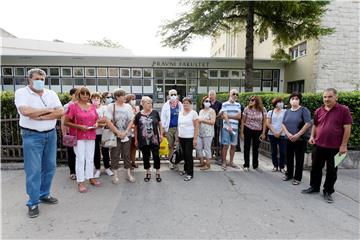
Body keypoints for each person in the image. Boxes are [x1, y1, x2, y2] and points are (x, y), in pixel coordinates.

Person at [15, 68, 64, 218]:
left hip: (50, 134)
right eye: (37, 79)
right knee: (34, 170)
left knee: (50, 166)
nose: (40, 82)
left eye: (42, 79)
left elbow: (61, 112)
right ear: (29, 79)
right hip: (31, 136)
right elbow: (25, 111)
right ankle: (33, 202)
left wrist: (40, 115)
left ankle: (44, 194)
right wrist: (49, 111)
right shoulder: (21, 93)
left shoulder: (51, 94)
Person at [302, 88, 352, 203]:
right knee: (315, 168)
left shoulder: (343, 110)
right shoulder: (319, 110)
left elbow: (347, 128)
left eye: (329, 97)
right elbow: (315, 125)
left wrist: (343, 145)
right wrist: (312, 137)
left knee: (332, 170)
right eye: (325, 97)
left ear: (336, 97)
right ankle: (314, 187)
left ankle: (328, 191)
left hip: (335, 147)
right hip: (318, 145)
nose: (327, 99)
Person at [64, 87, 101, 193]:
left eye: (87, 93)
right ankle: (80, 182)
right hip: (78, 136)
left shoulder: (93, 106)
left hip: (91, 135)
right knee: (80, 159)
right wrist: (79, 127)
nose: (85, 95)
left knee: (90, 158)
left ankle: (90, 177)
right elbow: (66, 122)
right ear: (78, 95)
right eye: (83, 93)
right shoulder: (73, 106)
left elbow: (97, 118)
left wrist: (97, 123)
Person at [106, 89, 135, 183]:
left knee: (127, 155)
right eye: (123, 95)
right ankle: (115, 175)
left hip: (127, 134)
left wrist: (126, 131)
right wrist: (118, 132)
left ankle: (128, 174)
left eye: (125, 95)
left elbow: (131, 120)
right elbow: (108, 121)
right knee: (115, 155)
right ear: (117, 97)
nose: (125, 97)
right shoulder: (111, 106)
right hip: (115, 135)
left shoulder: (128, 107)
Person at [282, 92, 311, 185]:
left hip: (300, 139)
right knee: (289, 157)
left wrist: (297, 135)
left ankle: (297, 178)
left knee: (299, 159)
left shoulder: (304, 110)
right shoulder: (287, 111)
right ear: (290, 100)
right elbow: (283, 124)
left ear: (299, 100)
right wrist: (288, 134)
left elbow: (307, 124)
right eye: (292, 98)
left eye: (297, 98)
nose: (294, 100)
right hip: (288, 138)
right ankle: (289, 174)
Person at [134, 96, 164, 182]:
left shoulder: (155, 113)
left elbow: (160, 124)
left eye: (151, 103)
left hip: (154, 139)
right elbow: (136, 128)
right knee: (145, 157)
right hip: (143, 140)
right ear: (142, 104)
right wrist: (136, 139)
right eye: (148, 103)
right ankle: (148, 172)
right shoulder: (138, 115)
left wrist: (161, 135)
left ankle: (158, 172)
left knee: (156, 156)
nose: (150, 105)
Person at [240, 96, 267, 171]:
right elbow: (242, 121)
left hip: (258, 130)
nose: (250, 101)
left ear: (257, 101)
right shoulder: (247, 108)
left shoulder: (263, 109)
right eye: (250, 100)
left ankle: (255, 164)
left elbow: (265, 122)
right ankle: (246, 165)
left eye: (252, 100)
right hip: (248, 129)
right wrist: (242, 132)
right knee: (247, 147)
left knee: (256, 148)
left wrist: (263, 133)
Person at [91, 92, 113, 178]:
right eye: (94, 98)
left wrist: (97, 123)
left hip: (104, 133)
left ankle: (107, 168)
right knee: (96, 152)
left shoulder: (105, 108)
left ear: (100, 99)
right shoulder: (89, 108)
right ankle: (98, 169)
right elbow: (89, 121)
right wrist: (100, 122)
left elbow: (106, 120)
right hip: (93, 133)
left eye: (97, 98)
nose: (96, 100)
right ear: (91, 99)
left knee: (105, 151)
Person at [161, 89, 183, 170]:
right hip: (169, 128)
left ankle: (176, 161)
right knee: (170, 146)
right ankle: (170, 161)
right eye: (171, 94)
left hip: (178, 128)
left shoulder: (180, 105)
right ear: (169, 96)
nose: (173, 96)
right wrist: (163, 129)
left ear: (177, 95)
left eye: (175, 94)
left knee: (177, 145)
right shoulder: (166, 105)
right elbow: (163, 118)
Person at [220, 89, 242, 171]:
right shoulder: (224, 104)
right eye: (233, 94)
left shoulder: (238, 105)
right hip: (226, 127)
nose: (235, 95)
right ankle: (224, 162)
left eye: (237, 94)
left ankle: (231, 162)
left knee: (233, 146)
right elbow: (224, 116)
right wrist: (229, 125)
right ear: (230, 94)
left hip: (235, 128)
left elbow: (239, 117)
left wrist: (228, 116)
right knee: (225, 145)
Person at [178, 97, 199, 181]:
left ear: (190, 104)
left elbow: (197, 126)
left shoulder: (193, 113)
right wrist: (178, 137)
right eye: (184, 103)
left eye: (187, 103)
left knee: (188, 155)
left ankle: (190, 173)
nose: (185, 104)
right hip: (181, 137)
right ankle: (185, 169)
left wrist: (195, 139)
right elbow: (179, 125)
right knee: (184, 155)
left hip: (189, 138)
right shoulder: (180, 113)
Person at [266, 97, 287, 173]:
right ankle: (275, 166)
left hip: (283, 134)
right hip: (272, 134)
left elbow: (286, 123)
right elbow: (268, 123)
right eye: (279, 102)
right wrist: (274, 132)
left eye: (281, 102)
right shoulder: (270, 112)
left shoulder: (285, 111)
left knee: (283, 151)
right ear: (275, 103)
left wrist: (280, 132)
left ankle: (282, 166)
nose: (281, 103)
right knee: (273, 151)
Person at [61, 87, 77, 180]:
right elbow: (63, 121)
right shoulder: (67, 106)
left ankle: (80, 170)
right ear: (71, 95)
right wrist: (64, 134)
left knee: (80, 153)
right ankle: (72, 171)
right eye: (75, 94)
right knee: (71, 153)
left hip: (80, 133)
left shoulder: (82, 105)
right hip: (70, 133)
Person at [196, 96, 216, 170]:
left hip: (208, 133)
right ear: (203, 102)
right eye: (206, 101)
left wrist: (202, 120)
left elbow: (213, 121)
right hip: (200, 132)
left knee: (207, 148)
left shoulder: (212, 111)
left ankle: (208, 164)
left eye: (209, 101)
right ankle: (202, 162)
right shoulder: (201, 111)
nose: (207, 102)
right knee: (198, 148)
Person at [125, 93, 140, 169]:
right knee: (127, 148)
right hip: (128, 130)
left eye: (134, 99)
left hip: (135, 130)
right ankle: (128, 163)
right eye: (132, 99)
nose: (134, 101)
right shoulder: (125, 108)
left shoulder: (136, 108)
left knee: (134, 147)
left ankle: (133, 161)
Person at [208, 90, 223, 165]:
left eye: (212, 94)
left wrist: (215, 117)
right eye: (210, 94)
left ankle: (217, 153)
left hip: (217, 123)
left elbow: (221, 112)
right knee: (210, 137)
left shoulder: (219, 103)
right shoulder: (207, 102)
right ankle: (210, 152)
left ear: (215, 95)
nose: (211, 96)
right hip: (209, 123)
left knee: (216, 137)